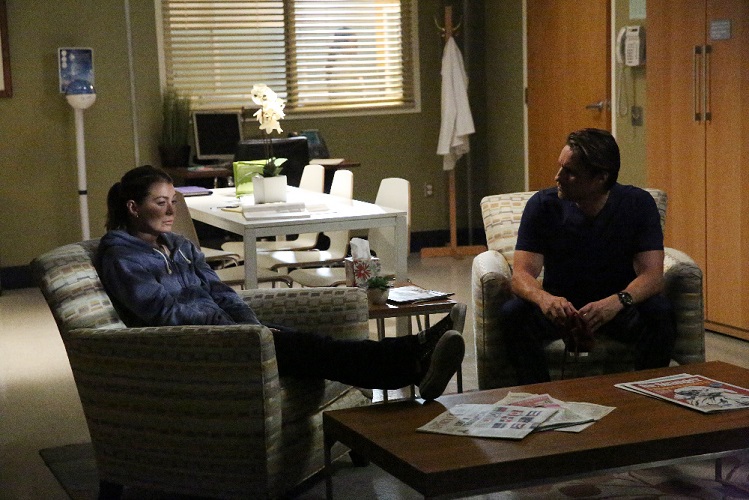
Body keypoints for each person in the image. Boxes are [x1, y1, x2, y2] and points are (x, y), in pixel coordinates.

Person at [96, 165, 465, 400]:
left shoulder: (178, 245)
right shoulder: (122, 256)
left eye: (173, 202)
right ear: (133, 207)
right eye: (160, 203)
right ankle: (414, 357)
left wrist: (250, 326)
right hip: (196, 347)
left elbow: (220, 292)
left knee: (315, 346)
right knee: (314, 349)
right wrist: (234, 331)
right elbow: (165, 315)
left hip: (231, 334)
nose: (171, 211)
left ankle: (414, 356)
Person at [500, 128, 676, 384]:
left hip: (616, 307)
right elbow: (521, 275)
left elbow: (653, 276)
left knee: (660, 312)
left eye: (569, 172)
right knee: (513, 313)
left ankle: (646, 391)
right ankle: (539, 393)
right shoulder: (543, 205)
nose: (558, 177)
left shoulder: (638, 204)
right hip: (561, 309)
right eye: (560, 167)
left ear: (601, 178)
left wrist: (617, 302)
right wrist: (544, 299)